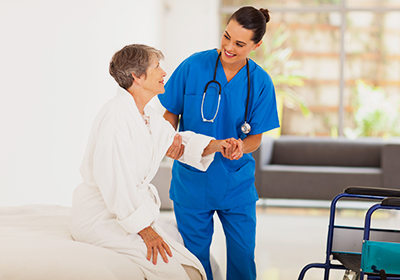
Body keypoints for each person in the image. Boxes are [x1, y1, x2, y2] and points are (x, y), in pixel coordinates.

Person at [69, 44, 237, 280]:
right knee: (167, 266)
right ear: (137, 77)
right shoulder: (116, 117)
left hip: (128, 211)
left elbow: (178, 142)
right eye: (157, 67)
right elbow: (116, 182)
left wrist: (220, 145)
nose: (164, 73)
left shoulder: (146, 116)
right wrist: (145, 230)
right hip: (101, 215)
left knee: (191, 254)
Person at [158, 6, 280, 280]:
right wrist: (170, 138)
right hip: (192, 181)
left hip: (235, 183)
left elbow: (255, 137)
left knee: (242, 258)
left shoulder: (260, 82)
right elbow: (170, 113)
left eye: (239, 44)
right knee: (195, 261)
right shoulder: (194, 66)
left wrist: (241, 146)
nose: (228, 47)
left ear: (256, 45)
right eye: (226, 37)